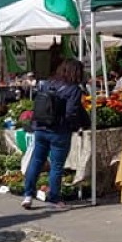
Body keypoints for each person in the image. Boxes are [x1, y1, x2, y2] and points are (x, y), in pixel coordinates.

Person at [22, 58, 90, 211]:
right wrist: (77, 125)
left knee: (36, 161)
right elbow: (71, 112)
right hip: (59, 131)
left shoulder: (47, 83)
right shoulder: (73, 89)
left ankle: (28, 195)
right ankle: (54, 198)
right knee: (56, 166)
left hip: (40, 128)